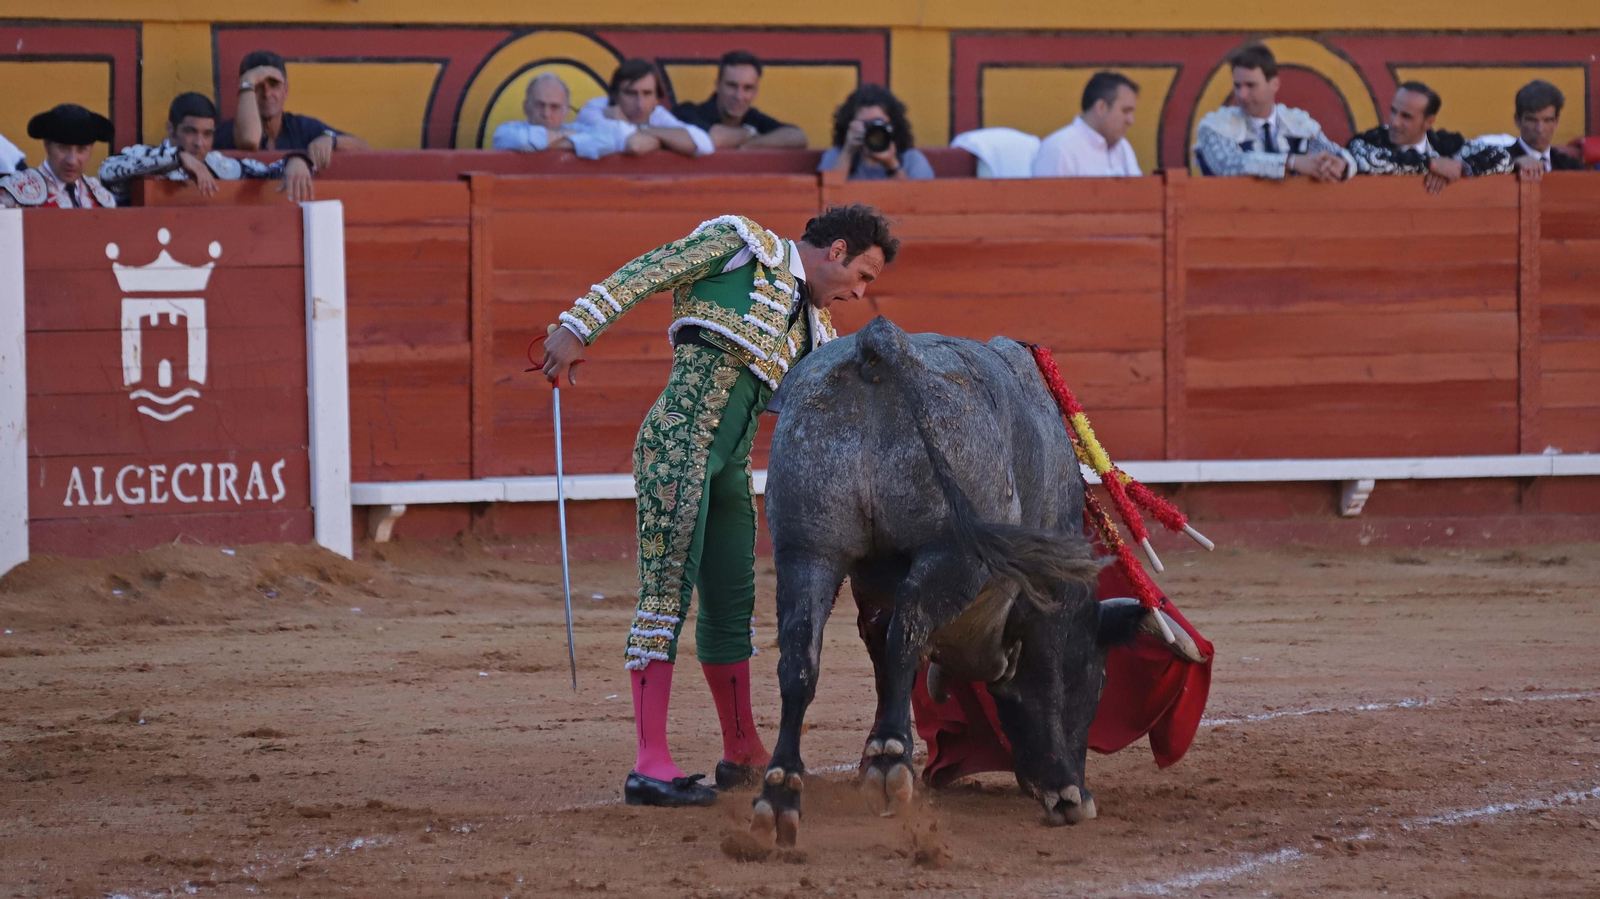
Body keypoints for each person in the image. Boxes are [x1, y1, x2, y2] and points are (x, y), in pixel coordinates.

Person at [537, 205, 898, 808]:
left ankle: (742, 749)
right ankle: (649, 763)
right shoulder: (739, 245)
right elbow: (650, 270)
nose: (859, 293)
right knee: (665, 593)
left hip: (730, 467)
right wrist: (577, 327)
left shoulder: (817, 330)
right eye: (861, 276)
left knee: (733, 600)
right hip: (676, 445)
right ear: (836, 251)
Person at [98, 93, 314, 205]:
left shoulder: (219, 165)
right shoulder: (141, 156)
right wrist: (177, 158)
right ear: (170, 129)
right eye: (191, 132)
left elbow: (266, 172)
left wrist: (297, 160)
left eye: (207, 134)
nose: (199, 143)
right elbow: (106, 171)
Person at [1192, 44, 1353, 182]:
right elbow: (1227, 164)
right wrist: (1291, 162)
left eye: (1251, 85)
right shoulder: (1214, 127)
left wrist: (1338, 163)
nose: (1241, 95)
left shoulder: (1298, 125)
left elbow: (1326, 149)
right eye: (1237, 86)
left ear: (1274, 84)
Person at [1347, 81, 1513, 194]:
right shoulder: (1372, 140)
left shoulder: (1445, 144)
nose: (1395, 122)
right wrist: (1431, 164)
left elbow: (1503, 157)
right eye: (1393, 111)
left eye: (1406, 116)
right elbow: (1361, 156)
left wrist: (1457, 167)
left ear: (1429, 121)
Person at [218, 49, 370, 168]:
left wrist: (331, 139)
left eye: (274, 85)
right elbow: (249, 141)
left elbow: (363, 148)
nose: (267, 93)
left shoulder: (301, 127)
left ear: (286, 90)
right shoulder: (226, 133)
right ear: (245, 93)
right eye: (257, 86)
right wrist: (247, 80)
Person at [570, 59, 714, 159]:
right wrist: (663, 140)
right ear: (615, 95)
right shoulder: (595, 110)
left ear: (656, 99)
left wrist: (641, 128)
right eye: (631, 93)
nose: (640, 104)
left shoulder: (656, 113)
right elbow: (635, 145)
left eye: (647, 94)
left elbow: (704, 143)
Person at [671, 51, 807, 150]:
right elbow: (713, 137)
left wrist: (750, 145)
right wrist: (751, 133)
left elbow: (798, 137)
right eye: (732, 86)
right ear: (717, 85)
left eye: (747, 88)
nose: (739, 96)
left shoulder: (752, 117)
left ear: (755, 92)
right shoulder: (687, 112)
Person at [0, 104, 116, 209]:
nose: (72, 161)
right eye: (63, 148)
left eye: (81, 150)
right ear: (47, 145)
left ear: (91, 149)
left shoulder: (100, 198)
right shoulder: (13, 194)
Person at [1031, 71, 1142, 177]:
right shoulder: (1059, 149)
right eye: (1125, 111)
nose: (1131, 121)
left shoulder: (1123, 146)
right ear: (1101, 107)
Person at [820, 84, 934, 180]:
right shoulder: (836, 156)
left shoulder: (912, 160)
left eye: (878, 123)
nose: (872, 130)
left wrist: (892, 164)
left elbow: (915, 201)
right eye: (864, 124)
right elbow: (828, 196)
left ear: (893, 125)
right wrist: (848, 151)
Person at [491, 73, 606, 158]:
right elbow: (523, 141)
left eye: (554, 107)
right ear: (526, 107)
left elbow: (606, 141)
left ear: (566, 112)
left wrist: (543, 143)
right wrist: (570, 138)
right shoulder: (506, 131)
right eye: (539, 105)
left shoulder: (577, 129)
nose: (546, 114)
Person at [1490, 80, 1584, 180]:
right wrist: (1510, 163)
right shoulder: (1499, 161)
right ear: (1517, 120)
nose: (1540, 129)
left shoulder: (1570, 166)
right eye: (1532, 120)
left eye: (1547, 120)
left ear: (1556, 122)